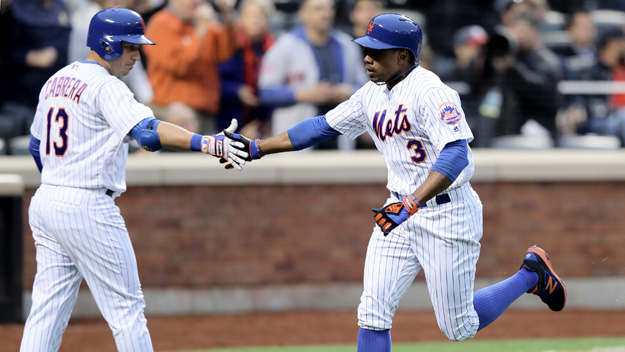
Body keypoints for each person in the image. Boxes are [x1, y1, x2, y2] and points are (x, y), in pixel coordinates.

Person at [225, 14, 567, 350]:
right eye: (366, 49)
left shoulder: (432, 92)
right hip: (398, 213)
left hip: (446, 213)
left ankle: (531, 275)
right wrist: (257, 148)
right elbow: (321, 126)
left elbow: (456, 153)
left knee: (459, 327)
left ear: (403, 56)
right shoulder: (370, 94)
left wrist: (413, 202)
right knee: (372, 313)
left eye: (378, 51)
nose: (368, 58)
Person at [21, 8, 246, 351]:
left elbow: (37, 147)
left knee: (47, 309)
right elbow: (148, 134)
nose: (137, 55)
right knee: (127, 309)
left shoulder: (57, 79)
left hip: (48, 199)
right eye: (130, 47)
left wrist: (60, 178)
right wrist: (207, 142)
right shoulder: (106, 86)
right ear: (108, 44)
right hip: (87, 203)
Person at [257, 0, 368, 150]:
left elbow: (366, 89)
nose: (326, 14)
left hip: (339, 138)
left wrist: (348, 92)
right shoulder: (285, 45)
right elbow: (266, 92)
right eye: (319, 9)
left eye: (330, 9)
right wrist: (304, 95)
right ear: (304, 14)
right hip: (298, 136)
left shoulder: (346, 45)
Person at [144, 0, 237, 134]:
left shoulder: (204, 24)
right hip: (173, 115)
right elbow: (179, 66)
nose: (197, 2)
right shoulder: (161, 23)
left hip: (206, 113)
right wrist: (201, 30)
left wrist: (226, 16)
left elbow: (226, 52)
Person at [0, 0, 71, 150]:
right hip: (20, 99)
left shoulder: (61, 7)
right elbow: (5, 51)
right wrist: (30, 56)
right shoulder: (14, 10)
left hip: (54, 97)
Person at [217, 0, 275, 139]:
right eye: (250, 15)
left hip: (264, 118)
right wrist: (237, 90)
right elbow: (214, 80)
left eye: (260, 15)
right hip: (231, 115)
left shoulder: (275, 49)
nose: (255, 20)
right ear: (241, 19)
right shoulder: (230, 46)